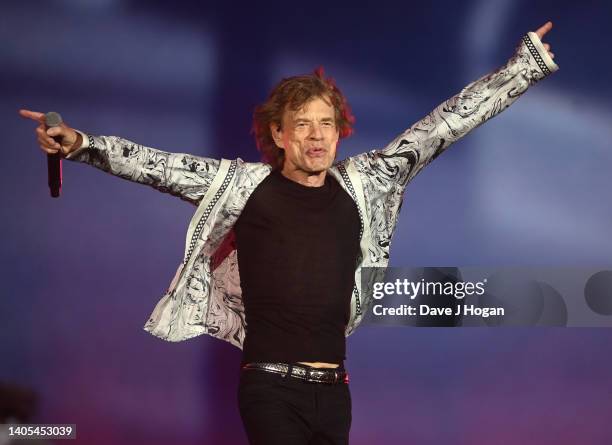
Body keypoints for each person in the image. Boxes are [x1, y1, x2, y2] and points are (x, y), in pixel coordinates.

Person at [19, 21, 558, 445]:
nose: (317, 136)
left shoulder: (365, 183)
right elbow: (158, 165)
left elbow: (443, 126)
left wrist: (522, 68)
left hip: (336, 390)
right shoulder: (244, 186)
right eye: (302, 124)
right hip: (270, 386)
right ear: (279, 134)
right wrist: (83, 143)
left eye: (326, 123)